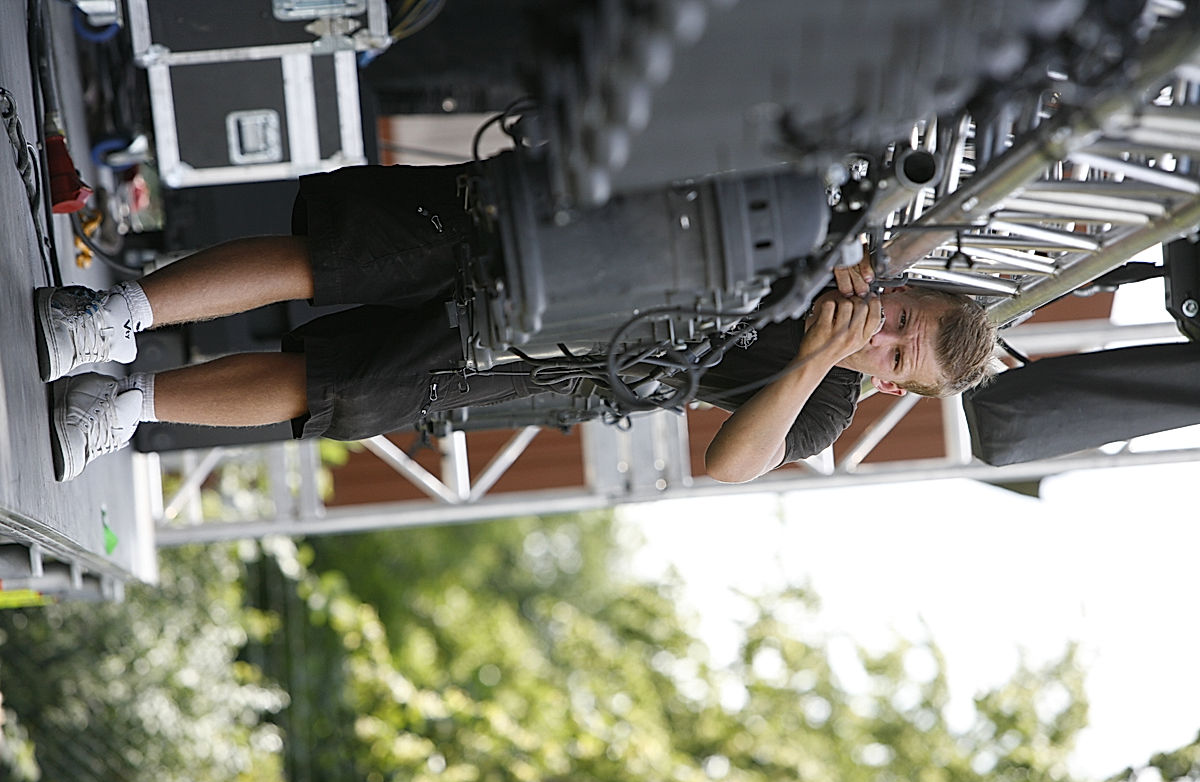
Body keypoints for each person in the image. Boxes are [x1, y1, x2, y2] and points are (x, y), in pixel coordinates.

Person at [32, 162, 996, 483]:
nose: (881, 335)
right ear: (902, 288)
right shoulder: (827, 244)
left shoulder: (823, 406)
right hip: (552, 242)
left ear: (896, 385)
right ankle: (110, 316)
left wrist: (812, 361)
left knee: (338, 391)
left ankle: (120, 406)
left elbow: (729, 464)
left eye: (896, 355)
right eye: (898, 317)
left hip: (550, 359)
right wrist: (839, 258)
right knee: (335, 261)